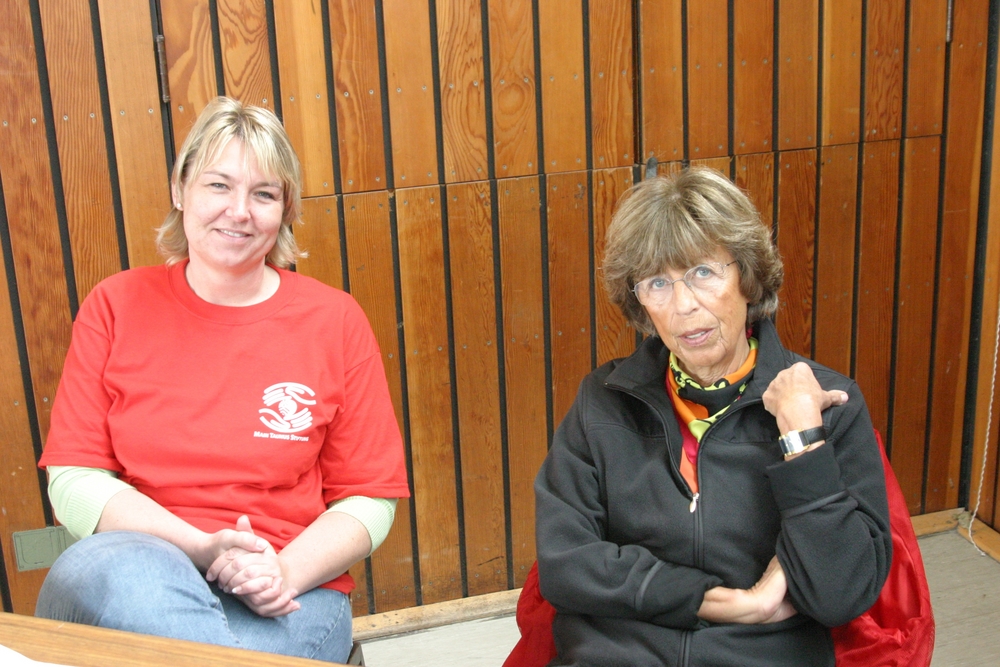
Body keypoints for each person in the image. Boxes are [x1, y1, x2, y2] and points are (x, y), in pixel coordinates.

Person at [35, 96, 409, 664]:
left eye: (264, 194)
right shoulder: (116, 305)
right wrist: (202, 548)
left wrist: (283, 571)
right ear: (179, 189)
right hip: (135, 566)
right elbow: (73, 480)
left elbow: (370, 497)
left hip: (287, 587)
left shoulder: (334, 320)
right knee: (132, 588)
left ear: (285, 210)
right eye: (218, 185)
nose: (239, 211)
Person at [534, 167, 892, 666]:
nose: (683, 305)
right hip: (617, 651)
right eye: (657, 282)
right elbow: (564, 564)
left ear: (747, 276)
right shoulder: (603, 399)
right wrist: (722, 602)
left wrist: (803, 441)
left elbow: (842, 594)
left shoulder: (827, 403)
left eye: (703, 272)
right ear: (640, 302)